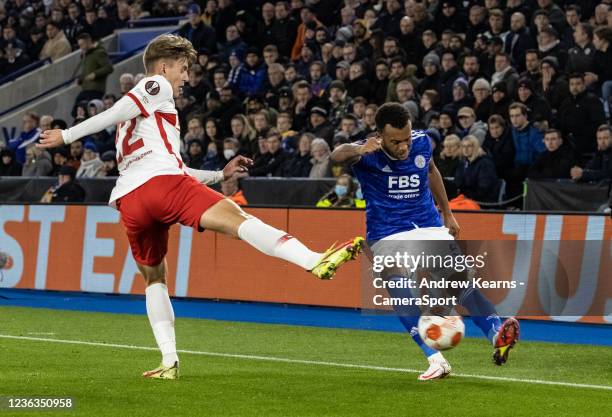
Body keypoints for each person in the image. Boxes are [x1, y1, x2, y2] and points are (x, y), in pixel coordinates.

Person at [37, 34, 363, 380]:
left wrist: (218, 174)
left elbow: (175, 166)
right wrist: (67, 135)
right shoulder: (155, 84)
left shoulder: (136, 125)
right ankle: (314, 260)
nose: (185, 77)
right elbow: (127, 117)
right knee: (238, 219)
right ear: (164, 66)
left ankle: (168, 360)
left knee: (154, 278)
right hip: (160, 185)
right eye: (183, 68)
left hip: (131, 201)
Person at [331, 103, 519, 380]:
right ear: (379, 136)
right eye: (396, 141)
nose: (404, 146)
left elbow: (431, 171)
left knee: (460, 284)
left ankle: (496, 334)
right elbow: (336, 155)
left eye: (406, 138)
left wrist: (448, 213)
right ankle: (436, 359)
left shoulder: (421, 143)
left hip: (429, 227)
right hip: (387, 234)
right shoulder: (365, 152)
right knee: (401, 292)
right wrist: (360, 149)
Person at [454, 135, 501, 203]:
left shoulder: (485, 163)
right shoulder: (463, 163)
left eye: (469, 146)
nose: (465, 149)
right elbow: (457, 184)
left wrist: (466, 195)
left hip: (481, 201)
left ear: (475, 147)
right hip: (465, 199)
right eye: (463, 146)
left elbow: (484, 189)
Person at [74, 33, 114, 104]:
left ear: (88, 41)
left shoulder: (99, 53)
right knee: (76, 110)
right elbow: (86, 72)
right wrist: (80, 79)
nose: (81, 47)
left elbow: (109, 68)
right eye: (79, 45)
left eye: (82, 44)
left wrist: (95, 74)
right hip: (86, 88)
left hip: (96, 89)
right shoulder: (86, 55)